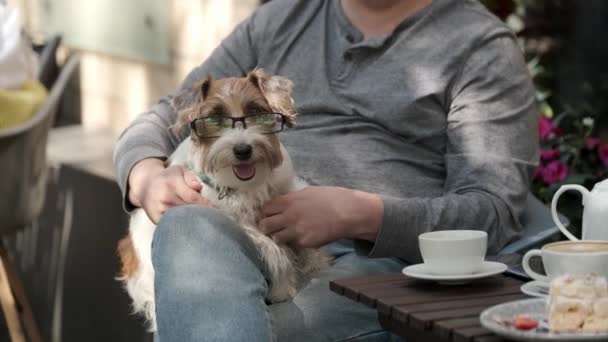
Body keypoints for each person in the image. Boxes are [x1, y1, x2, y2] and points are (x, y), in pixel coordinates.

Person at [113, 0, 538, 340]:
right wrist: (145, 174)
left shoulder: (479, 47)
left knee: (211, 323)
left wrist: (362, 214)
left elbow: (493, 212)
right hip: (240, 232)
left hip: (371, 265)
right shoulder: (283, 19)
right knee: (189, 232)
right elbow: (168, 113)